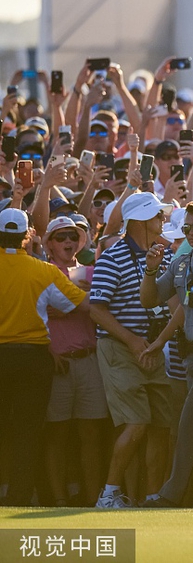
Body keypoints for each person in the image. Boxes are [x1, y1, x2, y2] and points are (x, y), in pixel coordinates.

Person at [89, 192, 175, 508]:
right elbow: (96, 309)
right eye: (156, 216)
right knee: (137, 423)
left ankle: (152, 497)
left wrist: (157, 342)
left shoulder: (165, 257)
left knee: (160, 426)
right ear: (139, 221)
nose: (162, 219)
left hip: (153, 348)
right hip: (121, 348)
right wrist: (132, 340)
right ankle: (109, 494)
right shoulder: (112, 258)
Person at [0, 208, 87, 506]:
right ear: (28, 236)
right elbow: (82, 305)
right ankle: (19, 496)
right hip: (32, 359)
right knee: (27, 429)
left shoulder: (43, 270)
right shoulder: (44, 271)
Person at [139, 201, 193, 507]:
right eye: (187, 229)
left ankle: (172, 495)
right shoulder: (182, 261)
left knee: (190, 426)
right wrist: (150, 269)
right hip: (190, 358)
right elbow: (150, 300)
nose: (192, 235)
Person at [42, 216, 108, 507]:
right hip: (56, 361)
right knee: (56, 432)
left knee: (91, 433)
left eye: (73, 236)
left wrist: (68, 306)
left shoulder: (90, 272)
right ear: (49, 244)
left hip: (88, 358)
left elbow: (101, 307)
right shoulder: (42, 273)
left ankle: (93, 500)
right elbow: (35, 316)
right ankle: (58, 499)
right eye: (61, 237)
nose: (68, 242)